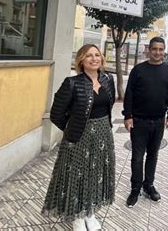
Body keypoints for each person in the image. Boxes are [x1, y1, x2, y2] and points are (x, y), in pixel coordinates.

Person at [42, 44, 116, 231]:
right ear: (81, 60)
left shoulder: (108, 80)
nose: (94, 58)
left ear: (101, 58)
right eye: (89, 55)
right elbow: (56, 114)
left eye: (97, 55)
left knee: (96, 175)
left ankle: (89, 212)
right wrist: (72, 128)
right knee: (77, 176)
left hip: (103, 137)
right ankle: (76, 216)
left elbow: (110, 104)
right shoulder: (71, 83)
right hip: (78, 138)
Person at [123, 37, 168, 207]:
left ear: (164, 51)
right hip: (139, 122)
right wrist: (127, 116)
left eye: (161, 49)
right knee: (137, 157)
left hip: (158, 121)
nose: (158, 53)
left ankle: (149, 185)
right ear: (149, 50)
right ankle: (135, 188)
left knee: (153, 155)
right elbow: (129, 94)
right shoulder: (138, 70)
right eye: (154, 49)